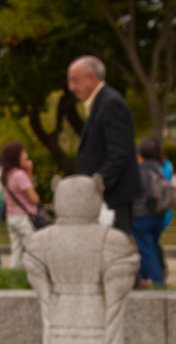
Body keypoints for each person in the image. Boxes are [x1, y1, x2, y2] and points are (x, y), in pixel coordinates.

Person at [68, 55, 142, 234]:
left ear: (91, 77)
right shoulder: (102, 102)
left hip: (113, 199)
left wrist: (98, 182)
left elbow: (119, 151)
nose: (71, 87)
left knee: (116, 253)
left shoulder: (111, 103)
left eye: (75, 80)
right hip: (107, 198)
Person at [132, 137, 169, 287]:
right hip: (158, 215)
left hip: (142, 216)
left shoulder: (141, 171)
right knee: (152, 246)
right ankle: (151, 277)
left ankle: (155, 281)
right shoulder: (160, 169)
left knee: (146, 250)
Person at [1, 142, 40, 268]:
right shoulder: (19, 175)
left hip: (12, 217)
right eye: (23, 153)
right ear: (16, 156)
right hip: (24, 217)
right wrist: (29, 172)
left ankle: (14, 277)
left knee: (16, 250)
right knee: (33, 249)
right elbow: (34, 198)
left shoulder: (7, 175)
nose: (26, 155)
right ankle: (33, 276)